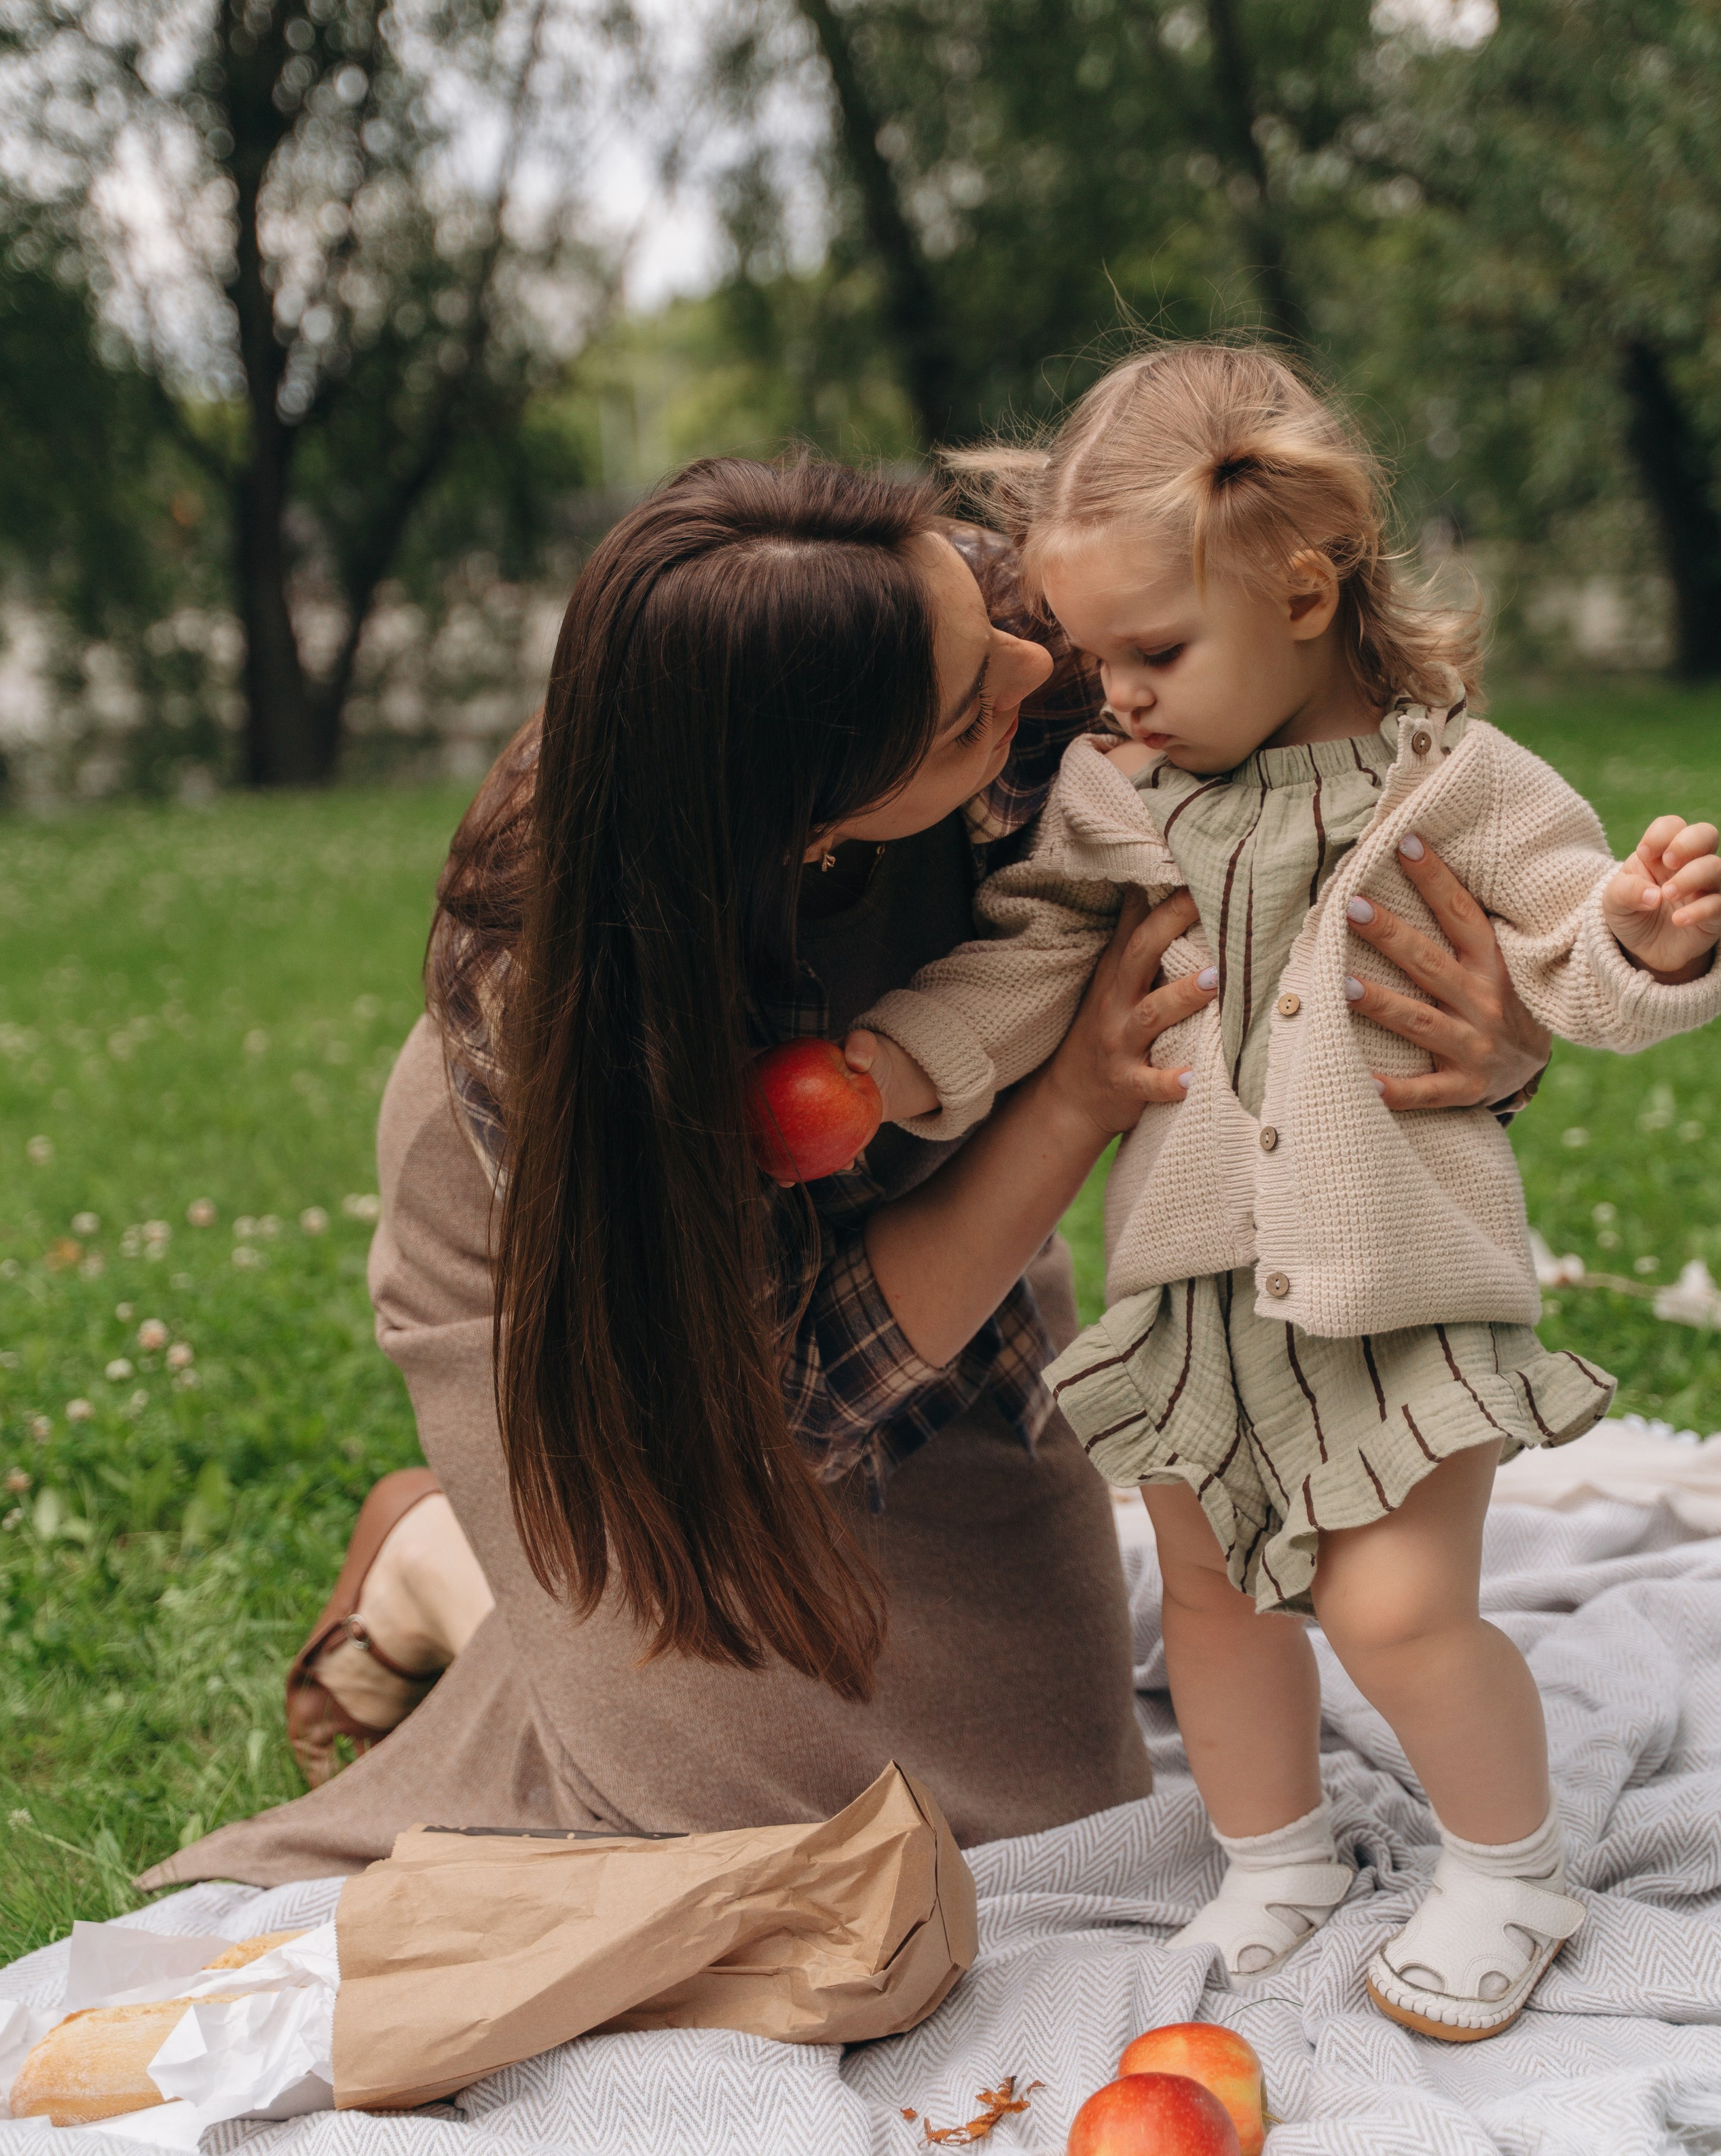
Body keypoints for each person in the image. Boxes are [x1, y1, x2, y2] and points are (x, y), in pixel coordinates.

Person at [142, 455, 1554, 1894]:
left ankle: (487, 1581)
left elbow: (1342, 794)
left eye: (979, 610)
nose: (1033, 665)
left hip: (928, 1177)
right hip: (607, 1269)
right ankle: (455, 1560)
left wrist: (1495, 1023)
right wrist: (1064, 1101)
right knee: (784, 1837)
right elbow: (802, 1386)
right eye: (968, 708)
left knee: (1052, 1801)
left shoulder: (1016, 623)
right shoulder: (556, 999)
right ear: (819, 818)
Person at [845, 343, 1721, 2043]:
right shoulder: (1116, 799)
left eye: (1152, 650)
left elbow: (1557, 960)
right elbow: (1027, 968)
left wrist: (1641, 935)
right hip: (1189, 1283)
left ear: (1304, 584)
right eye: (1095, 657)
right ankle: (1273, 1856)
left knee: (1391, 1604)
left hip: (1399, 1274)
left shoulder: (1454, 782)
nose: (1117, 694)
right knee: (1214, 1597)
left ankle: (1508, 1864)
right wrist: (895, 1063)